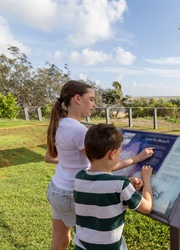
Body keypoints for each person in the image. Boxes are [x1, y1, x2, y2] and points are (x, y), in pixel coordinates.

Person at [45, 80, 154, 250]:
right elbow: (103, 165)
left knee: (60, 241)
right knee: (95, 237)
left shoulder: (59, 123)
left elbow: (50, 156)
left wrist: (71, 162)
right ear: (77, 99)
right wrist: (136, 158)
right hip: (70, 193)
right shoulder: (79, 130)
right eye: (91, 98)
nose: (94, 104)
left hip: (56, 188)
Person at [73, 123, 153, 250]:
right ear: (112, 154)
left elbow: (100, 186)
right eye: (120, 152)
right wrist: (146, 178)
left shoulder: (79, 178)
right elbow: (147, 207)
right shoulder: (121, 185)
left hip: (81, 246)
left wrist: (127, 181)